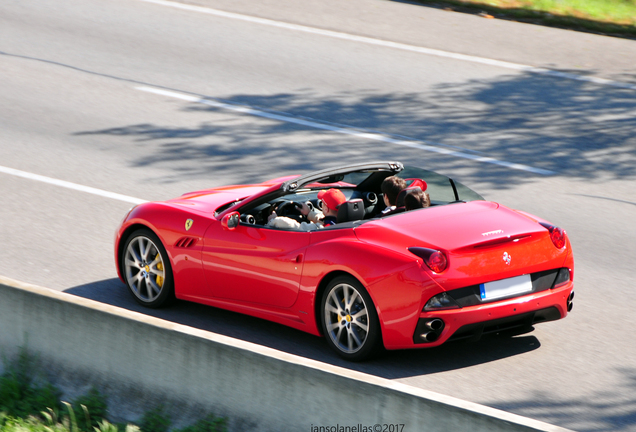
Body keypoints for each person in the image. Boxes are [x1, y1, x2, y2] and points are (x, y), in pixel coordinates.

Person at [267, 188, 346, 230]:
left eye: (322, 205)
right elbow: (322, 219)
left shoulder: (321, 229)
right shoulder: (346, 221)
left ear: (326, 210)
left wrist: (273, 220)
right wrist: (309, 213)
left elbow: (295, 226)